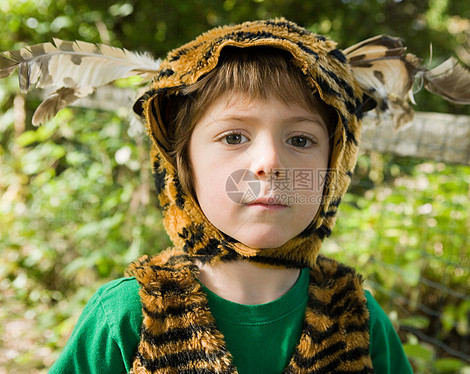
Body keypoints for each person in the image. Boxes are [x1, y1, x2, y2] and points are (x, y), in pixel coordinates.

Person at [48, 19, 415, 373]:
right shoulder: (128, 316)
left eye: (300, 140)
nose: (270, 163)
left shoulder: (359, 319)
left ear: (334, 166)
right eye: (234, 137)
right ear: (183, 166)